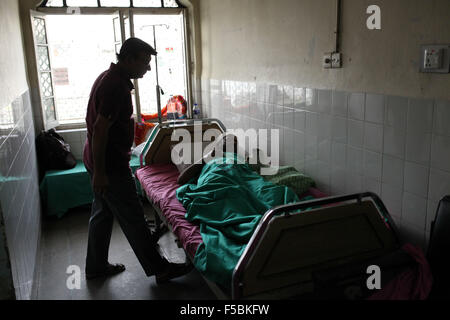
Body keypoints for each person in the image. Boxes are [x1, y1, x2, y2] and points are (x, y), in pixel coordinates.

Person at [83, 37, 191, 283]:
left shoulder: (108, 77)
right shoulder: (115, 86)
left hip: (99, 160)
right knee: (133, 217)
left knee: (102, 214)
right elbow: (100, 129)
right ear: (129, 59)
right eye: (145, 61)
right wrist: (101, 172)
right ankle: (160, 268)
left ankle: (95, 266)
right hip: (109, 166)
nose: (148, 68)